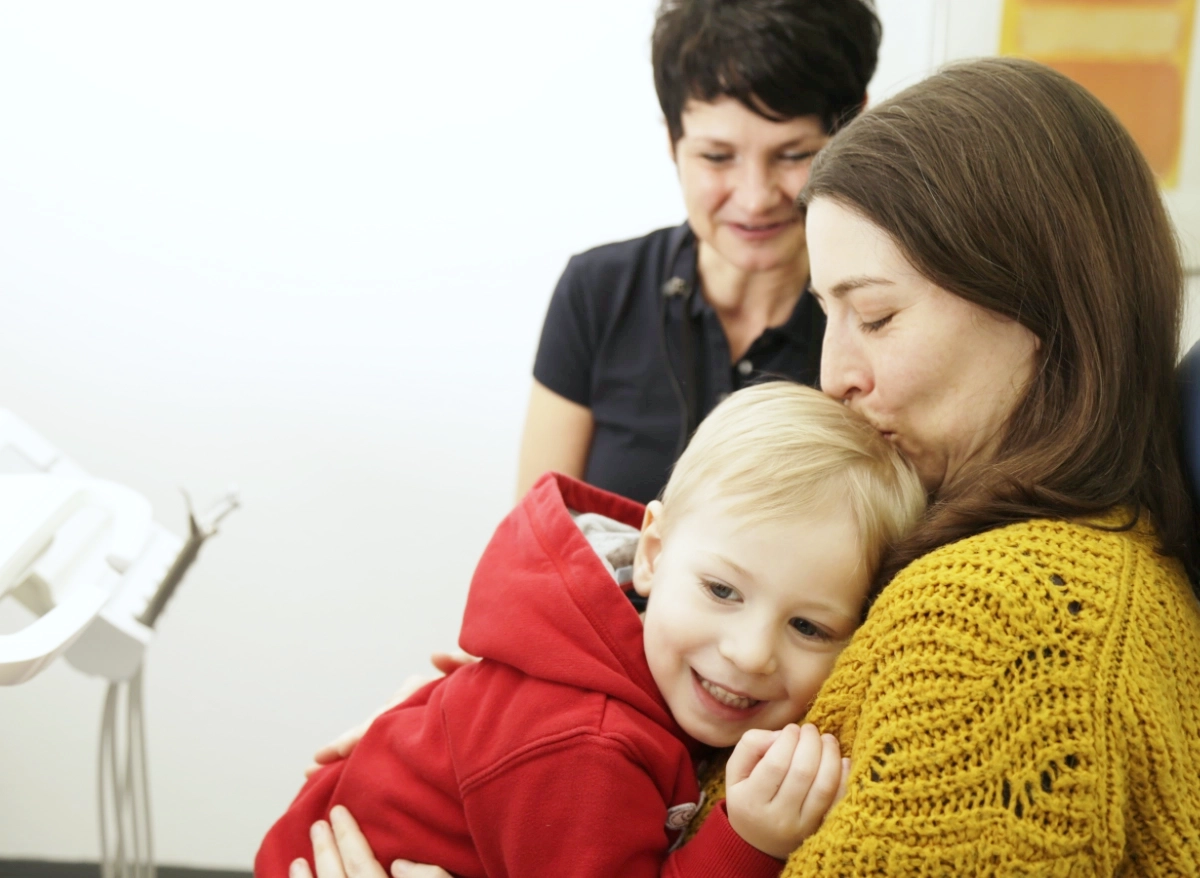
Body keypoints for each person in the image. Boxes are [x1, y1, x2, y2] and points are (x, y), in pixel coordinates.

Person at [293, 56, 1200, 876]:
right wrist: (513, 707)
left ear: (1039, 304)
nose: (836, 375)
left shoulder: (1010, 617)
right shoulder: (1031, 557)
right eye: (828, 315)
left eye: (875, 318)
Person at [259, 383, 925, 878]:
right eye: (722, 590)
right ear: (652, 553)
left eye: (808, 626)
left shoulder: (631, 663)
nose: (749, 652)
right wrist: (745, 841)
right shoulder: (587, 743)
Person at [516, 0, 881, 504]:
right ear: (672, 139)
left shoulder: (880, 321)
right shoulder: (597, 292)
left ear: (852, 129)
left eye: (795, 154)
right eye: (716, 157)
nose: (755, 198)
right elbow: (535, 544)